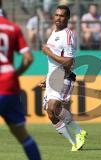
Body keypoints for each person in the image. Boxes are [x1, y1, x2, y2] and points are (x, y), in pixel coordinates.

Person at [39, 5, 87, 152]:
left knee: (54, 107)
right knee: (50, 113)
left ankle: (79, 132)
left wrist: (48, 52)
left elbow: (69, 62)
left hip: (64, 76)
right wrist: (47, 78)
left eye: (62, 16)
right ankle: (74, 143)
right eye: (57, 15)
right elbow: (54, 62)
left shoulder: (68, 35)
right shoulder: (53, 33)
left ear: (67, 18)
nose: (58, 18)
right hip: (53, 77)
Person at [0, 1, 41, 160]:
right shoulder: (13, 27)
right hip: (10, 85)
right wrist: (15, 74)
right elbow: (28, 58)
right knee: (22, 135)